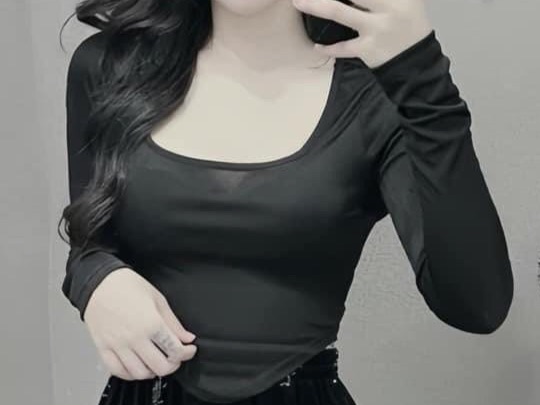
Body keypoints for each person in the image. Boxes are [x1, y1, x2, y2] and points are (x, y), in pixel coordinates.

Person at [58, 0, 514, 404]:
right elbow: (89, 242)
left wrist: (423, 79)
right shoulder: (107, 68)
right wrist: (95, 282)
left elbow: (477, 305)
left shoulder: (375, 98)